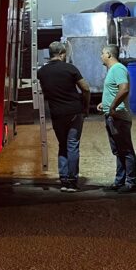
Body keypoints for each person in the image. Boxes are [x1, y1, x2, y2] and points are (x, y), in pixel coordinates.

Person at [37, 41, 91, 191]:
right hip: (74, 112)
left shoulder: (42, 72)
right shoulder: (70, 69)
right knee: (72, 144)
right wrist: (85, 107)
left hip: (56, 113)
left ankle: (64, 180)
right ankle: (73, 181)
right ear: (62, 54)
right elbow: (85, 88)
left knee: (62, 145)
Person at [98, 44, 136, 192]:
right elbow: (116, 90)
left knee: (126, 150)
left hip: (118, 117)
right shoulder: (113, 70)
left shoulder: (118, 69)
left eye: (102, 53)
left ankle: (130, 182)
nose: (101, 56)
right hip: (112, 115)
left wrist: (113, 106)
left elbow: (124, 88)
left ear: (108, 54)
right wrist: (106, 103)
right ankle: (119, 181)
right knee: (118, 151)